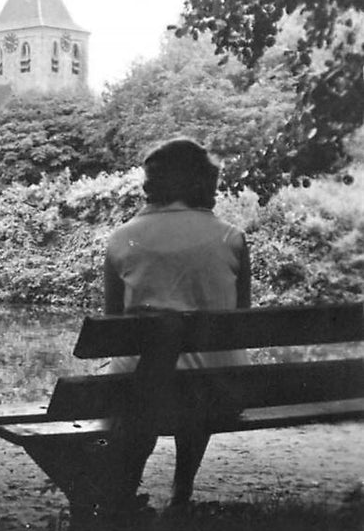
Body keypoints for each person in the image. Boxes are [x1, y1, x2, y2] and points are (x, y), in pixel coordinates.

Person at [103, 137, 251, 510]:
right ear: (202, 181)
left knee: (144, 377)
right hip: (217, 393)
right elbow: (242, 319)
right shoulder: (231, 238)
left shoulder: (121, 239)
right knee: (194, 376)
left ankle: (123, 489)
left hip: (142, 392)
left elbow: (112, 328)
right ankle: (181, 492)